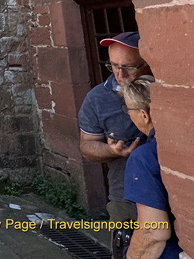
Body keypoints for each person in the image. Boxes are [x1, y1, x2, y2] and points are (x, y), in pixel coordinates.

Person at [78, 31, 152, 222]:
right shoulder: (96, 99)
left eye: (128, 67)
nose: (120, 74)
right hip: (125, 196)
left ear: (146, 63)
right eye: (114, 66)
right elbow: (87, 146)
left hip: (168, 190)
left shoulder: (162, 88)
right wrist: (112, 151)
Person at [122, 78, 184, 259]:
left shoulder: (143, 157)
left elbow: (154, 232)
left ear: (144, 114)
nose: (128, 115)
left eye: (128, 110)